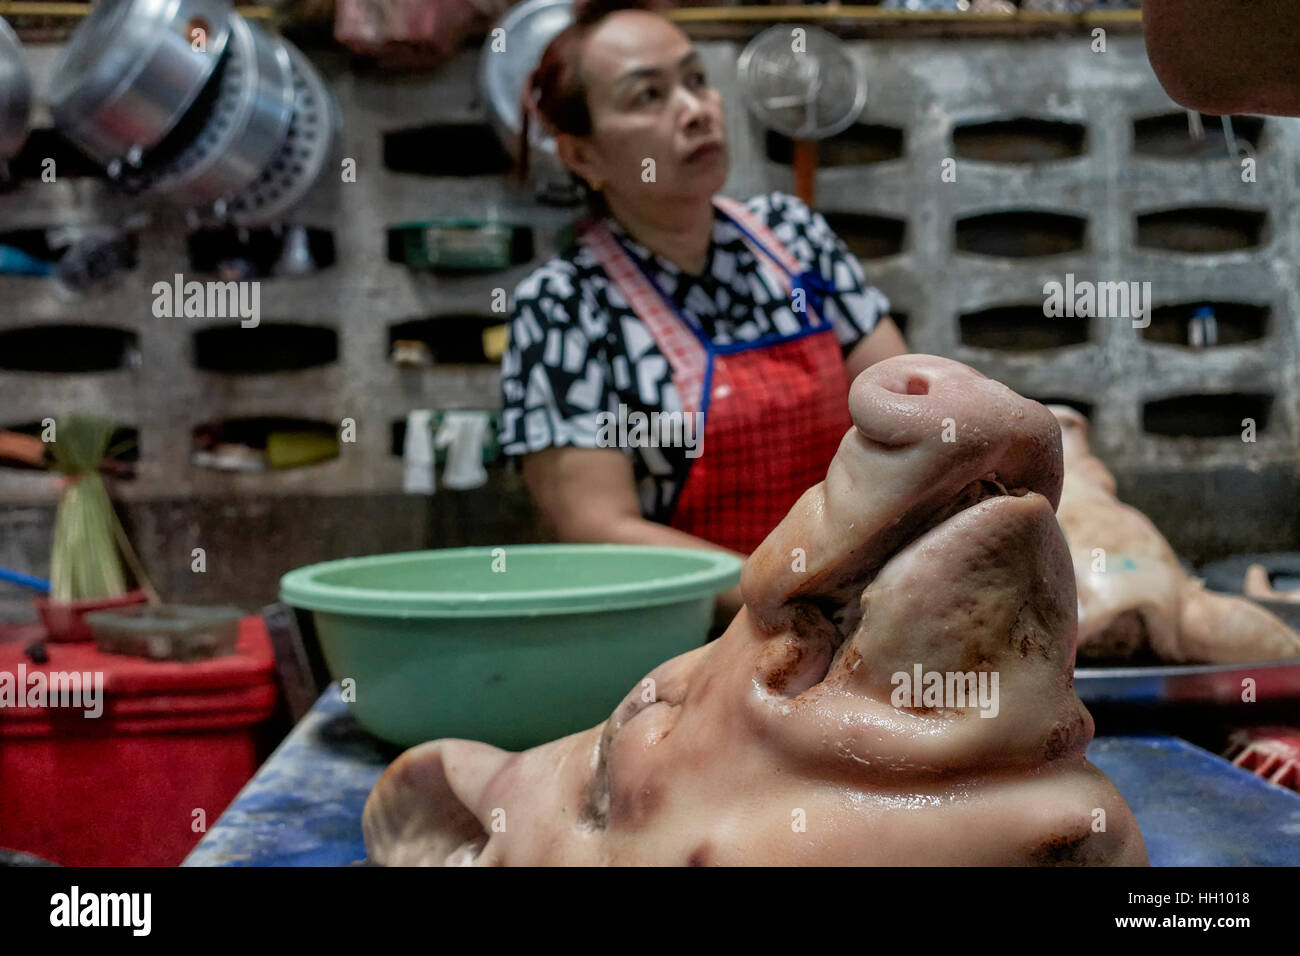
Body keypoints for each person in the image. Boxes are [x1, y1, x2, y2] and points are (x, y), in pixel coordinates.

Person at [497, 0, 908, 622]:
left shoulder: (794, 240)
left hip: (854, 610)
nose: (694, 111)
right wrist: (792, 596)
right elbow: (599, 527)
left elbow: (904, 407)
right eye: (647, 97)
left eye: (694, 80)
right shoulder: (563, 309)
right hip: (690, 644)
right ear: (582, 156)